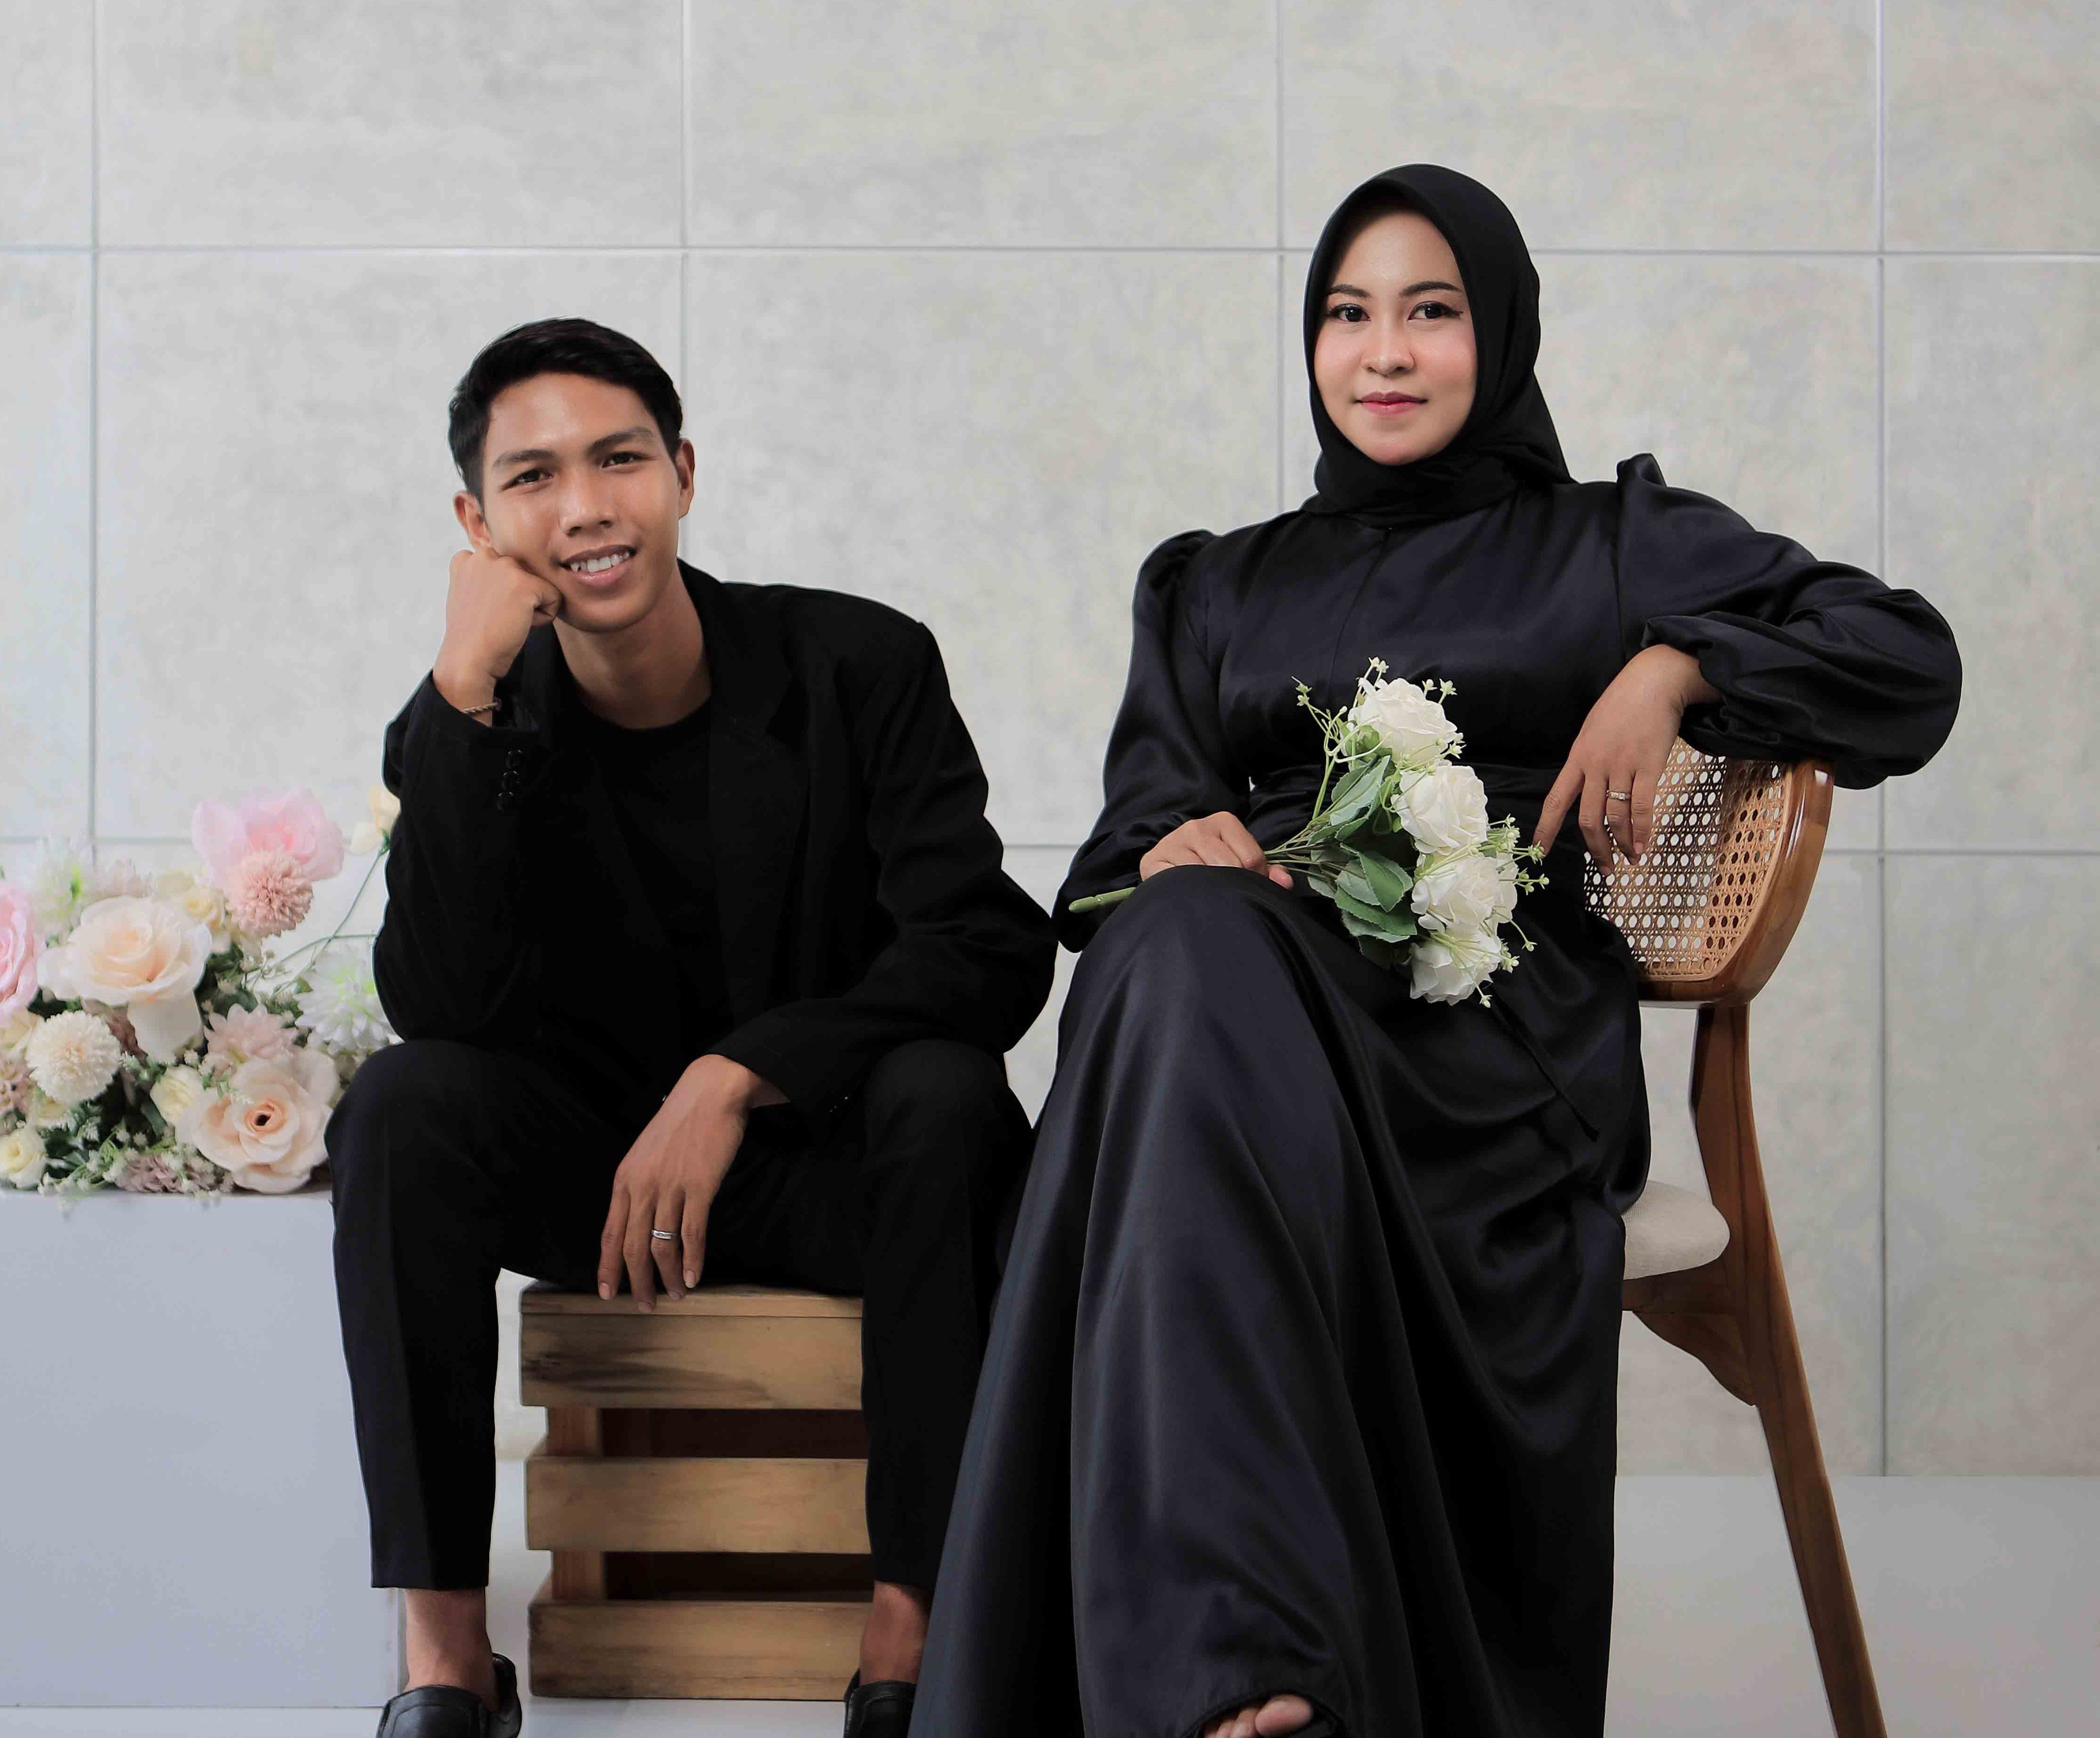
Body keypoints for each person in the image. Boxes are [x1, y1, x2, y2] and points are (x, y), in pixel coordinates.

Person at [909, 165, 1962, 1738]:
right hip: (1239, 1014)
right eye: (1347, 314)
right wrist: (1178, 845)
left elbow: (1907, 661)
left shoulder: (1612, 542)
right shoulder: (1216, 579)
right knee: (1177, 943)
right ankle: (1249, 1674)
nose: (1383, 352)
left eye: (1430, 311)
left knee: (1178, 1001)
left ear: (1502, 331)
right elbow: (1131, 828)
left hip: (1481, 1041)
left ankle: (1215, 1673)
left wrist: (1675, 665)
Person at [325, 319, 1053, 1738]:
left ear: (684, 475)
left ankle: (908, 1633)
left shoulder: (858, 663)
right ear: (477, 525)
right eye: (533, 477)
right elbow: (442, 1009)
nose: (584, 507)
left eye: (619, 460)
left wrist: (739, 1075)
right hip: (597, 1193)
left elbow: (986, 945)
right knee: (400, 1105)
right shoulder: (465, 723)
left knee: (948, 1090)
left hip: (833, 1172)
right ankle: (446, 1657)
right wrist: (466, 696)